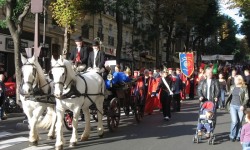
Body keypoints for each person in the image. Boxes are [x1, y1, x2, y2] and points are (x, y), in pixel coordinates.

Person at [226, 75, 249, 142]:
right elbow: (229, 95)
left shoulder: (244, 88)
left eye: (235, 80)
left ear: (239, 80)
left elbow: (247, 98)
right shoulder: (232, 87)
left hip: (240, 107)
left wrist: (243, 105)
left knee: (239, 122)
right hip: (232, 106)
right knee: (234, 121)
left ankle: (238, 135)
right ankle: (232, 135)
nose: (234, 81)